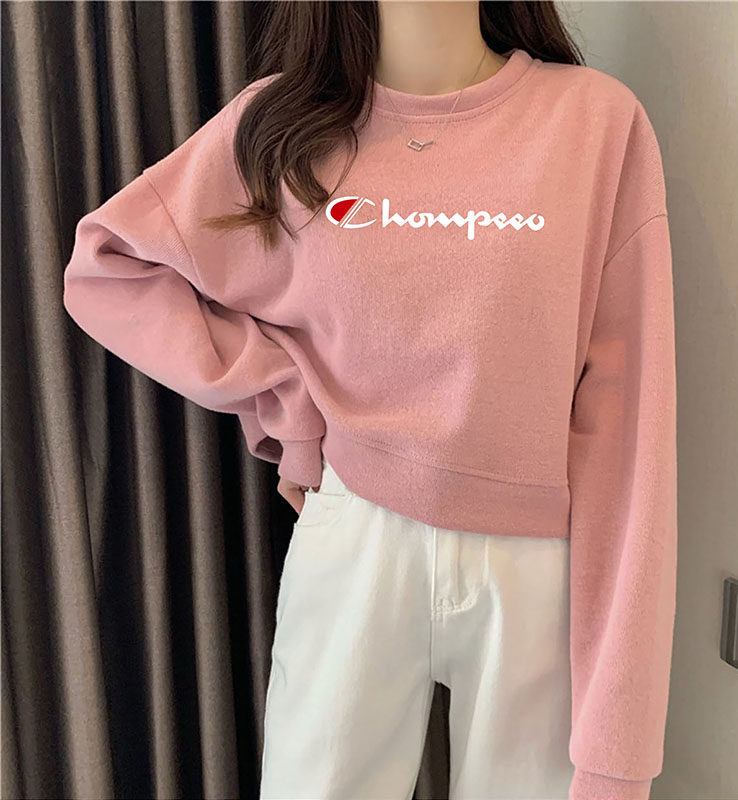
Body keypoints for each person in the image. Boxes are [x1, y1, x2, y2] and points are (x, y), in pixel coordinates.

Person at [62, 2, 678, 799]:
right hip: (356, 531)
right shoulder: (284, 125)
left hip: (538, 559)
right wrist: (288, 398)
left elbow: (632, 430)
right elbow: (108, 267)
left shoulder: (595, 123)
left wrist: (618, 749)